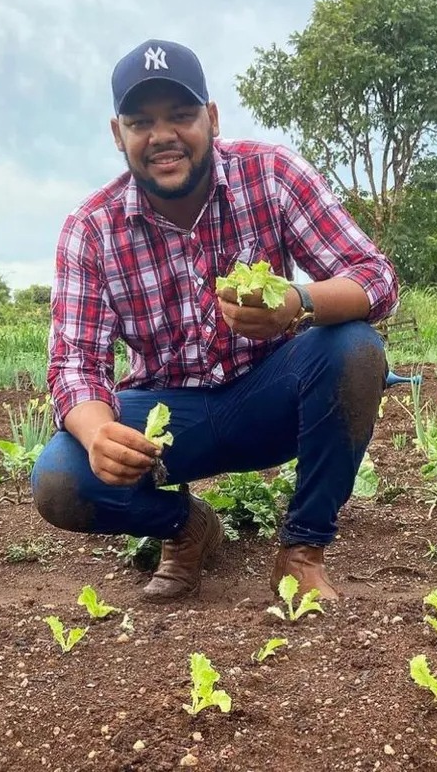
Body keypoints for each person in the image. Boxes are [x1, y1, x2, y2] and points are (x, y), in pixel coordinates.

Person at [31, 38, 399, 604]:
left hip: (269, 399)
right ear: (118, 135)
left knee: (354, 346)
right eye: (141, 122)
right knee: (61, 478)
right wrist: (99, 432)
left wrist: (297, 302)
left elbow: (375, 277)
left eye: (181, 115)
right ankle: (187, 526)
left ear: (212, 118)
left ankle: (302, 550)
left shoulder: (271, 174)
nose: (162, 136)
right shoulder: (92, 228)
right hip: (170, 421)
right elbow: (74, 363)